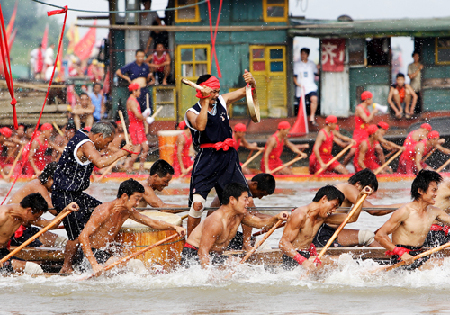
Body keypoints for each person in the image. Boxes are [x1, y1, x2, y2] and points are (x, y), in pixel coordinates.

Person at [51, 122, 133, 274]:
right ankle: (66, 267)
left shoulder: (89, 135)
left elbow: (105, 150)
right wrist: (121, 153)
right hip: (64, 195)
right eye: (107, 141)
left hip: (76, 194)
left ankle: (93, 254)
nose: (107, 145)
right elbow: (100, 163)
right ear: (99, 136)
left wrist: (124, 150)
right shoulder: (86, 144)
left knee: (103, 211)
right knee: (75, 234)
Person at [184, 71, 257, 235]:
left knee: (247, 201)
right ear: (202, 91)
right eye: (213, 92)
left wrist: (252, 82)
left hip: (228, 158)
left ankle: (246, 243)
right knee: (197, 205)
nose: (217, 95)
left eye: (218, 91)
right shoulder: (191, 112)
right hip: (206, 159)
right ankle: (190, 244)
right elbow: (201, 126)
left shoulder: (223, 101)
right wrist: (204, 102)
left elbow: (247, 91)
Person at [78, 179, 185, 274]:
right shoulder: (104, 211)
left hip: (105, 254)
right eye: (136, 199)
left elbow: (152, 223)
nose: (138, 204)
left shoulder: (128, 212)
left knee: (137, 266)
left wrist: (174, 227)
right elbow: (83, 236)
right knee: (136, 264)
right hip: (90, 256)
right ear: (124, 196)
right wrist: (94, 264)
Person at [180, 183, 289, 268]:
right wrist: (210, 279)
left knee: (244, 268)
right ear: (232, 199)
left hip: (214, 255)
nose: (248, 203)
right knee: (241, 267)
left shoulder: (240, 215)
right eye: (245, 199)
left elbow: (260, 223)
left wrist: (276, 217)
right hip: (193, 256)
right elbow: (203, 251)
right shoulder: (215, 221)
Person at [375, 170, 450, 270]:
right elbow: (379, 236)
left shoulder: (435, 212)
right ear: (420, 191)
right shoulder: (404, 212)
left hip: (418, 256)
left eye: (436, 190)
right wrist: (400, 253)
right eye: (433, 190)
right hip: (402, 258)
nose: (436, 194)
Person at [312, 169, 404, 248]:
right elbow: (373, 210)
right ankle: (390, 258)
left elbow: (353, 217)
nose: (366, 196)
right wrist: (401, 206)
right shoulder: (349, 188)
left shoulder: (343, 188)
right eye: (367, 191)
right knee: (367, 236)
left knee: (371, 236)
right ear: (358, 184)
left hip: (330, 231)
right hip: (321, 231)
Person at [0, 193, 77, 275]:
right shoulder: (2, 215)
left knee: (35, 267)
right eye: (36, 217)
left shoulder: (24, 215)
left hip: (4, 253)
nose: (36, 219)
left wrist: (66, 210)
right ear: (29, 211)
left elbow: (50, 225)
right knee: (33, 269)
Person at [279, 185, 352, 270]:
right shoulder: (300, 215)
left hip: (307, 256)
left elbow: (351, 218)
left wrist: (362, 196)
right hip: (293, 261)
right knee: (344, 261)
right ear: (324, 199)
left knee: (346, 260)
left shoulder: (321, 217)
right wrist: (303, 261)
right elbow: (283, 243)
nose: (334, 210)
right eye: (334, 205)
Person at [210, 173, 276, 251]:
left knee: (259, 243)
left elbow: (256, 214)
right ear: (254, 184)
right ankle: (246, 245)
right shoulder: (241, 194)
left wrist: (278, 218)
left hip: (223, 233)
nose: (260, 197)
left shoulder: (240, 191)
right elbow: (251, 216)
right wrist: (246, 243)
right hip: (217, 235)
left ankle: (246, 244)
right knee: (260, 245)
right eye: (261, 193)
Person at [343, 91, 377, 166]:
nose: (372, 101)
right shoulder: (359, 108)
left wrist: (372, 114)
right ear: (366, 100)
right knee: (352, 152)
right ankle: (343, 166)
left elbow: (370, 120)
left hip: (367, 133)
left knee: (366, 152)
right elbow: (366, 120)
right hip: (359, 133)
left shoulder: (367, 108)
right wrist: (373, 112)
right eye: (370, 99)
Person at [124, 83, 151, 174]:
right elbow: (137, 115)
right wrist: (146, 117)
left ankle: (141, 168)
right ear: (134, 91)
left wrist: (145, 114)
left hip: (139, 126)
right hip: (135, 127)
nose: (139, 92)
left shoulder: (134, 100)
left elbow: (139, 115)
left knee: (145, 147)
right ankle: (130, 168)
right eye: (138, 90)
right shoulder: (131, 101)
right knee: (137, 149)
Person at [116, 49, 153, 113]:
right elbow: (118, 72)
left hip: (144, 89)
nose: (141, 58)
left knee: (146, 108)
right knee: (135, 108)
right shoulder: (131, 65)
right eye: (139, 56)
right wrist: (126, 77)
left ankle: (145, 121)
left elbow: (147, 79)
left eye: (142, 56)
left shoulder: (146, 66)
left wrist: (149, 77)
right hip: (135, 91)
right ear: (136, 56)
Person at [293, 48, 319, 126]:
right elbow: (294, 76)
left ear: (308, 55)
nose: (303, 55)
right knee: (301, 105)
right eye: (302, 53)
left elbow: (317, 73)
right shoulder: (297, 65)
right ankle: (302, 121)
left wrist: (319, 68)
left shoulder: (312, 64)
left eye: (304, 54)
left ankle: (311, 118)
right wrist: (297, 84)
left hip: (310, 86)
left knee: (314, 99)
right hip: (301, 87)